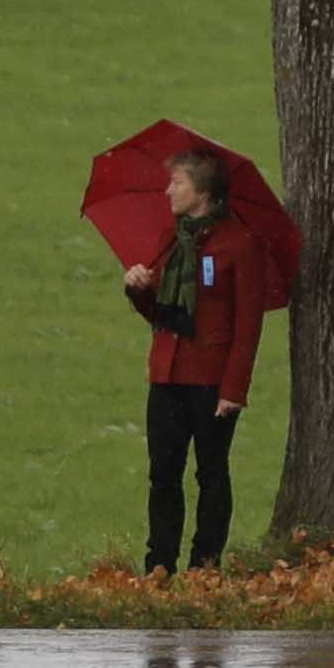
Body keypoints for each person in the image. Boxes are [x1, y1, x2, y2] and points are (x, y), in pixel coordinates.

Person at [118, 151, 278, 575]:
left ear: (203, 193)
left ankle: (205, 564)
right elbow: (165, 315)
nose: (168, 190)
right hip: (167, 374)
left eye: (178, 184)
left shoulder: (239, 245)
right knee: (163, 473)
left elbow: (248, 326)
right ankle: (160, 563)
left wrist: (233, 390)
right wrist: (138, 291)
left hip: (211, 381)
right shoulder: (172, 242)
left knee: (211, 473)